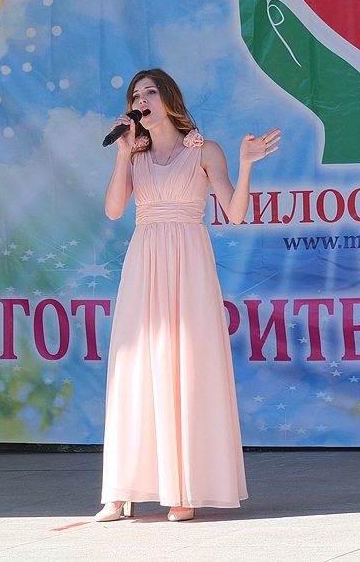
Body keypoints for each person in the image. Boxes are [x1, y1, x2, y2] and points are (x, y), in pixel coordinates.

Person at [96, 69, 281, 523]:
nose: (141, 100)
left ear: (169, 98)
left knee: (186, 368)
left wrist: (246, 164)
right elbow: (115, 210)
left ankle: (184, 487)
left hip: (188, 263)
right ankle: (122, 490)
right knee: (136, 368)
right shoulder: (135, 154)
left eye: (150, 92)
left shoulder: (204, 150)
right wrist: (122, 153)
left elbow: (235, 213)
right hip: (144, 263)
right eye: (135, 95)